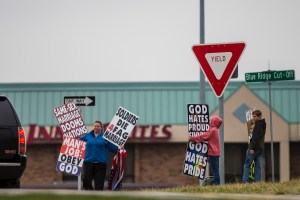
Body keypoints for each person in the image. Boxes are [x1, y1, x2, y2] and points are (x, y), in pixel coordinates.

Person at [79, 120, 119, 190]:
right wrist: (68, 141)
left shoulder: (105, 137)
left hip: (101, 164)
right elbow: (77, 142)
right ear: (93, 127)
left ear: (101, 128)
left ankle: (98, 196)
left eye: (98, 126)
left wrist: (120, 148)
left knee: (99, 183)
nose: (96, 127)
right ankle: (90, 195)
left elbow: (113, 147)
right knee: (86, 180)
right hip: (88, 162)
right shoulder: (87, 136)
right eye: (95, 126)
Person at [188, 116, 223, 185]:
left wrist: (192, 138)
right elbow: (206, 138)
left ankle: (217, 184)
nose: (210, 122)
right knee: (214, 168)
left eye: (211, 120)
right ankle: (216, 183)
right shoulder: (215, 130)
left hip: (213, 153)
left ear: (214, 121)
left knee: (215, 170)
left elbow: (203, 137)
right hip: (214, 153)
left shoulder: (213, 130)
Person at [242, 110, 266, 183]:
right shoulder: (263, 124)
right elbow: (258, 137)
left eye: (255, 116)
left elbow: (255, 137)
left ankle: (245, 181)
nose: (253, 118)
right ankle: (257, 182)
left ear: (259, 116)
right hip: (260, 149)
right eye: (253, 116)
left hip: (254, 149)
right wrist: (251, 140)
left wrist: (252, 148)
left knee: (247, 165)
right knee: (258, 166)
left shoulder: (258, 125)